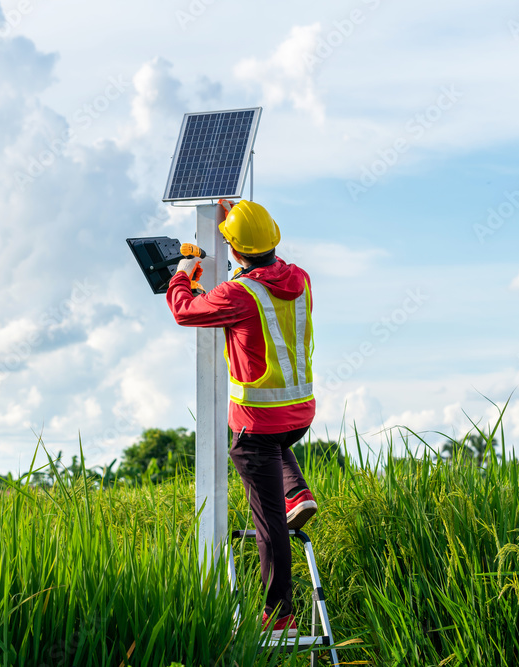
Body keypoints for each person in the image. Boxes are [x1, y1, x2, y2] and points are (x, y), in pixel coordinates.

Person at [165, 200, 317, 632]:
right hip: (298, 414)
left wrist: (183, 274)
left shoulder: (238, 294)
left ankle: (279, 615)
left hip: (258, 422)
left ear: (232, 250)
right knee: (272, 447)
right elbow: (262, 274)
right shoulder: (299, 279)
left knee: (270, 525)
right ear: (273, 238)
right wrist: (238, 223)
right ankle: (296, 491)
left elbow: (185, 311)